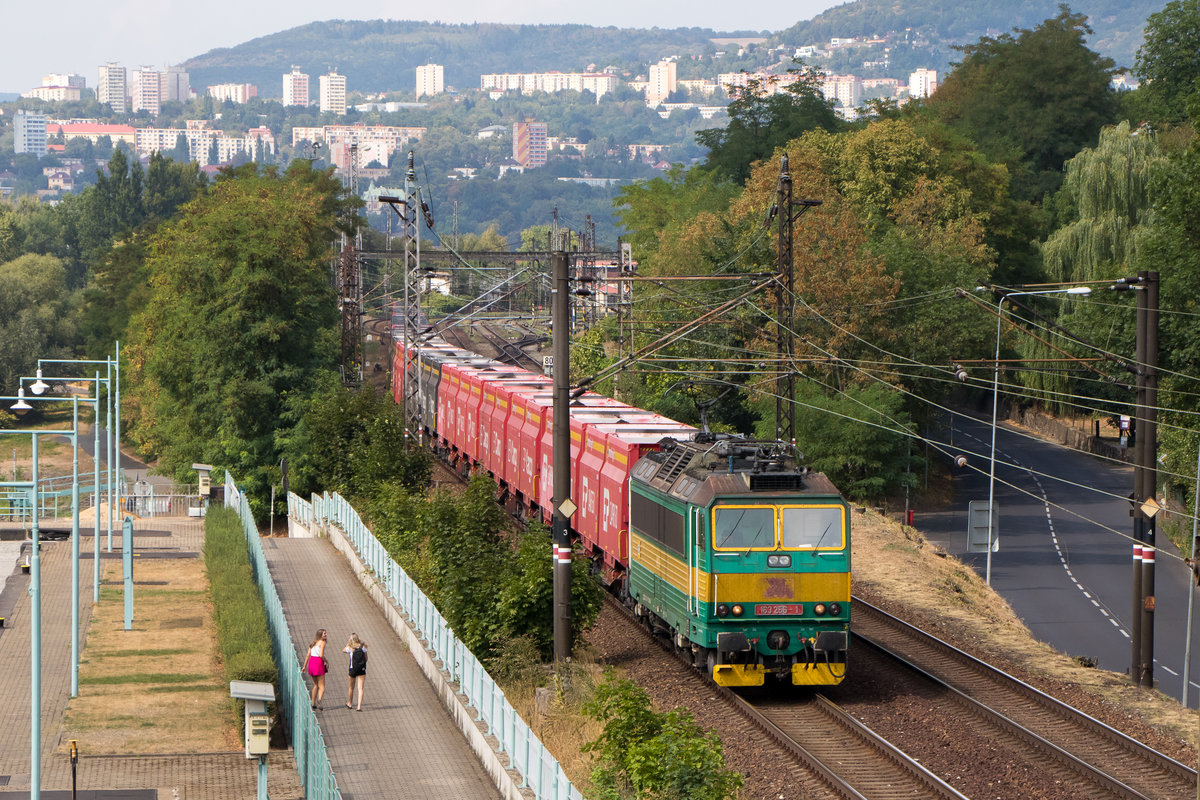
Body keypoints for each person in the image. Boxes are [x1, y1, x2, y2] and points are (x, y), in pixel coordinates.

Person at [343, 633, 368, 711]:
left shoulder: (350, 648)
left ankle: (350, 703)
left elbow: (343, 650)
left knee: (351, 687)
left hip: (352, 669)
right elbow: (366, 658)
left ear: (351, 640)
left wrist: (348, 643)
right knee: (360, 688)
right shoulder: (363, 647)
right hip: (361, 669)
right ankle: (359, 706)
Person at [306, 629, 328, 709]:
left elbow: (308, 655)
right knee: (322, 686)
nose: (326, 635)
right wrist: (326, 661)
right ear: (320, 635)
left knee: (315, 684)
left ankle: (313, 703)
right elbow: (321, 655)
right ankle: (319, 699)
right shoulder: (323, 643)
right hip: (318, 662)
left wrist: (305, 666)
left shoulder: (313, 643)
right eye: (324, 634)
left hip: (311, 662)